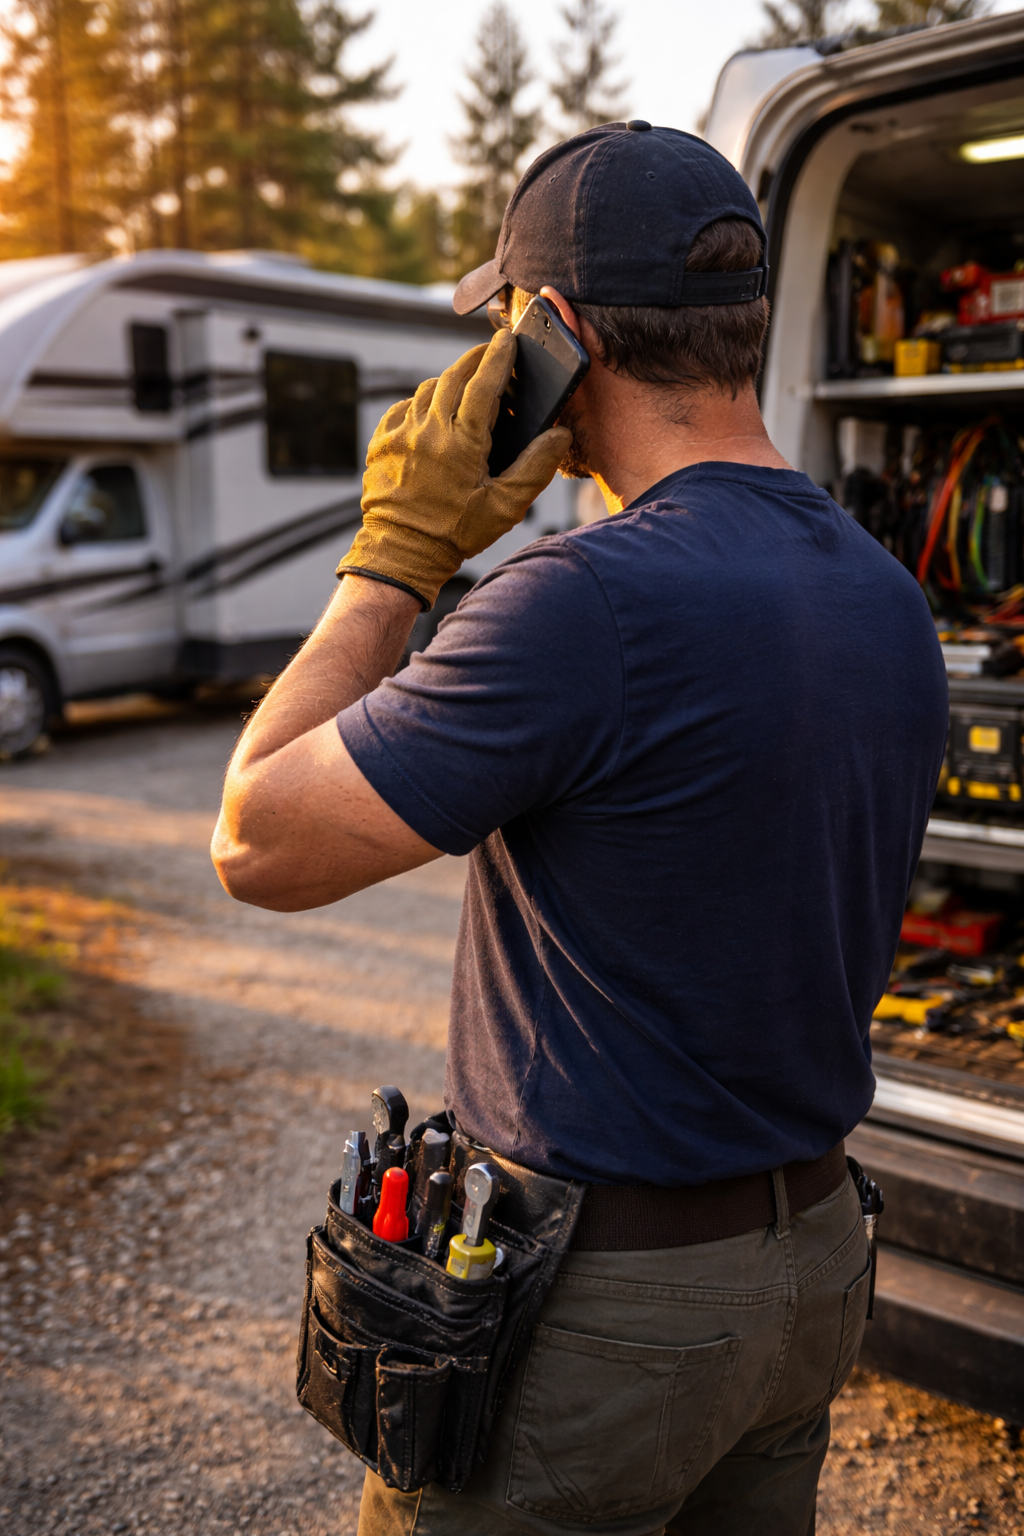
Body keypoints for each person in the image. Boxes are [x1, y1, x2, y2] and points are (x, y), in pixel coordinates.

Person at [212, 123, 948, 1536]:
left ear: (548, 336)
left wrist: (397, 553)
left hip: (609, 1316)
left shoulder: (581, 606)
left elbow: (258, 842)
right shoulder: (881, 591)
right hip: (811, 1274)